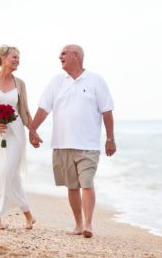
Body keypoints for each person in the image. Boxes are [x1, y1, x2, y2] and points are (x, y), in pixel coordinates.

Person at [29, 44, 116, 238]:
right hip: (62, 144)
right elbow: (44, 109)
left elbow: (107, 111)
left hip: (88, 145)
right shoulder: (56, 81)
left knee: (86, 183)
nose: (59, 57)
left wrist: (110, 138)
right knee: (72, 186)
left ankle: (88, 224)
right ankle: (78, 225)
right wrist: (33, 129)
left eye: (63, 54)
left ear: (75, 56)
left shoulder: (96, 80)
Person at [0, 45, 35, 230]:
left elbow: (25, 110)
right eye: (14, 57)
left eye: (19, 57)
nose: (18, 60)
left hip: (15, 133)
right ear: (3, 58)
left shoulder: (20, 83)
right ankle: (28, 215)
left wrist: (33, 132)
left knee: (4, 173)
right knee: (7, 175)